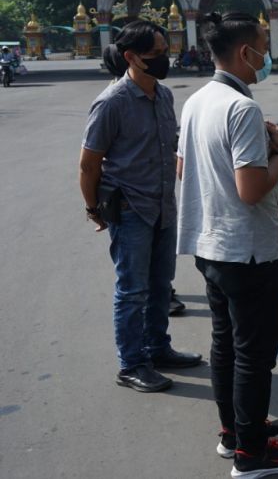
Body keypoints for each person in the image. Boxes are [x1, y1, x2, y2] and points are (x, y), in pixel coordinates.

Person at [176, 12, 278, 477]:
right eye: (264, 45)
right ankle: (252, 454)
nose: (267, 55)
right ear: (243, 52)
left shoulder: (197, 101)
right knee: (254, 354)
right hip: (248, 250)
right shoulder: (242, 109)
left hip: (210, 244)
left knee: (226, 345)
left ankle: (236, 430)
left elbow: (183, 168)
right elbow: (252, 189)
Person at [79, 20, 202, 394]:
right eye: (157, 53)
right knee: (132, 290)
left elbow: (173, 147)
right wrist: (93, 208)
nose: (166, 58)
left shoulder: (164, 95)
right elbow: (89, 164)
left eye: (166, 50)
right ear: (131, 57)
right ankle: (132, 364)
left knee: (161, 285)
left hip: (164, 205)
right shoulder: (111, 103)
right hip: (131, 208)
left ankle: (158, 349)